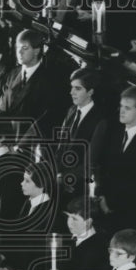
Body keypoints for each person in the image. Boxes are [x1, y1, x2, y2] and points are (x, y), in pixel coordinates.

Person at [97, 86, 136, 233]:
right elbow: (104, 167)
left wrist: (111, 205)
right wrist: (102, 197)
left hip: (129, 215)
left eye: (127, 108)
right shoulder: (115, 133)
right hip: (104, 208)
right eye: (121, 106)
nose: (122, 111)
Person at [0, 29, 68, 141]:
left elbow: (44, 121)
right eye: (17, 48)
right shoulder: (12, 74)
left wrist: (19, 145)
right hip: (5, 139)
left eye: (25, 48)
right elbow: (2, 109)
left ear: (37, 51)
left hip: (28, 146)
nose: (19, 52)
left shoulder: (49, 81)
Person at [56, 67, 108, 199]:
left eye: (77, 88)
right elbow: (61, 146)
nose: (71, 92)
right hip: (59, 179)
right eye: (72, 87)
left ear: (90, 92)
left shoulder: (100, 120)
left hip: (79, 186)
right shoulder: (71, 110)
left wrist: (65, 178)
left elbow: (90, 162)